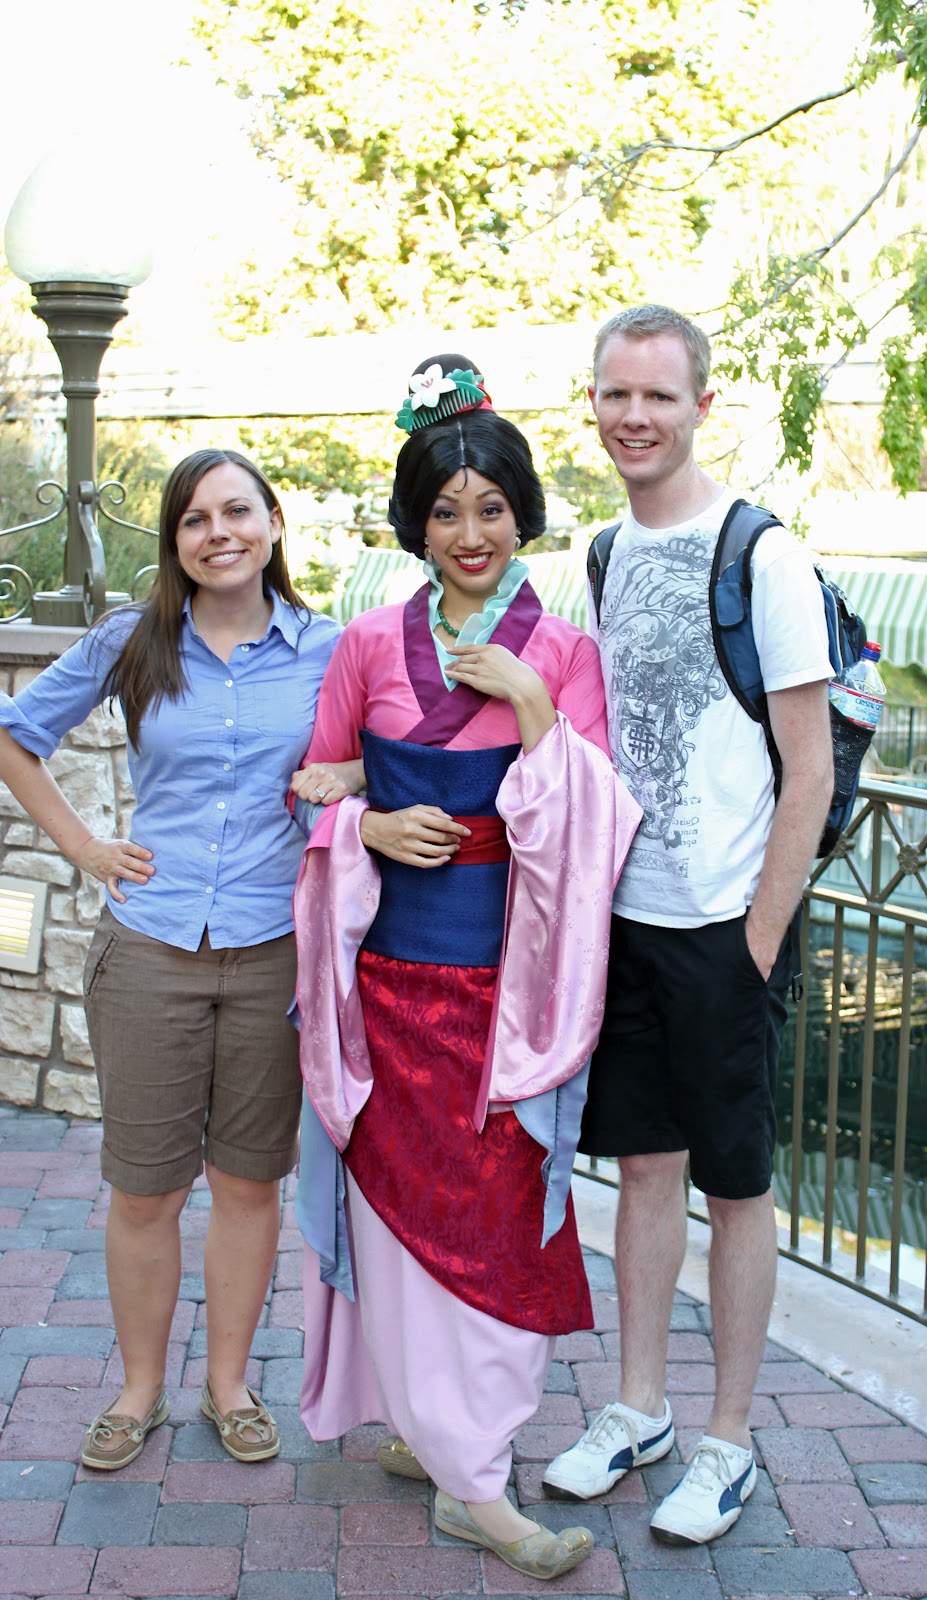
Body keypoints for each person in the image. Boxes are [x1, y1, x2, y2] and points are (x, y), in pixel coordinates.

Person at [289, 362, 641, 1583]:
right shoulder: (367, 645)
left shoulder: (566, 653)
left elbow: (599, 825)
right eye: (445, 509)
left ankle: (467, 1458)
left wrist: (538, 706)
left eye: (490, 507)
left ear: (521, 512)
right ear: (414, 523)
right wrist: (365, 829)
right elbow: (314, 785)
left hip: (511, 998)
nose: (470, 532)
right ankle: (454, 1463)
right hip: (390, 987)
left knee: (493, 1222)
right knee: (397, 1217)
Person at [542, 306, 834, 1545]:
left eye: (657, 397)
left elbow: (807, 768)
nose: (633, 417)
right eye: (615, 395)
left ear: (700, 405)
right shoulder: (602, 551)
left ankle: (727, 1439)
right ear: (595, 402)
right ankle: (639, 1406)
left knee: (736, 1186)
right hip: (631, 916)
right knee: (643, 1169)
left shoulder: (759, 554)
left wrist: (758, 940)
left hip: (726, 921)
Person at [0, 449, 340, 1470]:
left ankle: (227, 1386)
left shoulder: (331, 648)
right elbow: (17, 737)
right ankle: (138, 1387)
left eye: (238, 510)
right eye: (194, 519)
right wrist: (87, 847)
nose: (218, 531)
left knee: (247, 1184)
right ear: (175, 542)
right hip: (150, 949)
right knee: (143, 1189)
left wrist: (349, 769)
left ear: (274, 523)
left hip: (276, 951)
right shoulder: (132, 640)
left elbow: (401, 747)